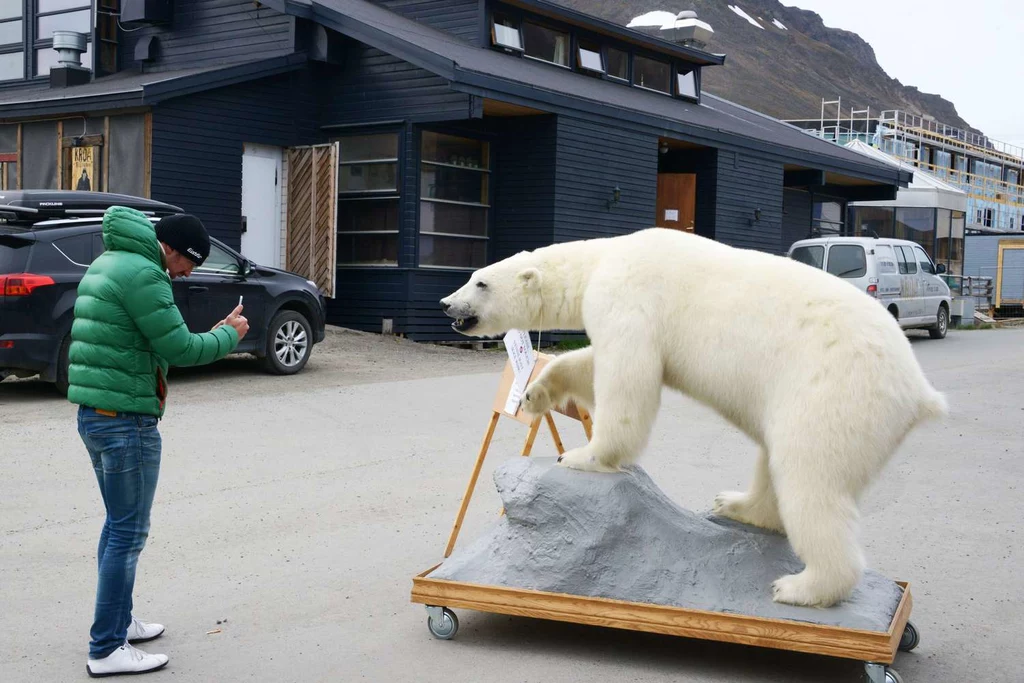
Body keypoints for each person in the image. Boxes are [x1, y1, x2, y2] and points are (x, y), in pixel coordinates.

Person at [67, 207, 249, 677]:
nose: (190, 273)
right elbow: (181, 349)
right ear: (172, 250)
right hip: (126, 421)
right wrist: (228, 336)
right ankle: (106, 648)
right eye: (191, 262)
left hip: (96, 415)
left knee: (117, 526)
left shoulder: (111, 260)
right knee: (128, 533)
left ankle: (120, 622)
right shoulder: (145, 274)